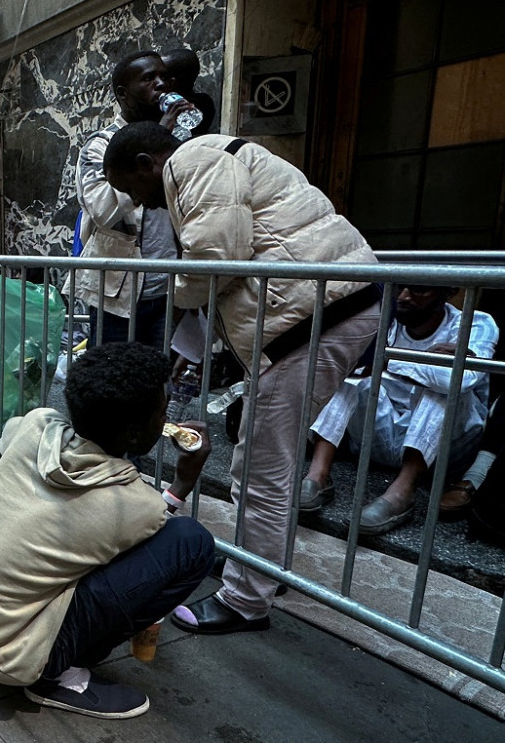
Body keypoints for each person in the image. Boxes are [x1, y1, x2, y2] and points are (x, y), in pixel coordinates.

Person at [103, 122, 381, 635]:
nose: (142, 204)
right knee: (261, 457)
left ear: (147, 162)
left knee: (260, 467)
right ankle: (262, 569)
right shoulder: (211, 160)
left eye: (133, 189)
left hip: (313, 317)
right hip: (320, 312)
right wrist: (191, 343)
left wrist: (179, 297)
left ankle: (246, 599)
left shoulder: (193, 161)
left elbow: (216, 260)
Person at [0, 341, 215, 720]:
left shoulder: (36, 425)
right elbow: (156, 533)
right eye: (162, 412)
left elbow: (12, 432)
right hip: (7, 656)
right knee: (191, 544)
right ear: (134, 434)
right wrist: (182, 484)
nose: (167, 420)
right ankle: (60, 674)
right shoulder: (132, 504)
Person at [302, 285, 498, 534]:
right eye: (398, 289)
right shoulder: (386, 318)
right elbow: (349, 363)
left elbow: (460, 379)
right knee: (354, 379)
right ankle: (317, 477)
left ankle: (402, 493)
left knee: (445, 390)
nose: (404, 297)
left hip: (442, 454)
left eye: (419, 290)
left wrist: (386, 360)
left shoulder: (475, 323)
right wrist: (426, 361)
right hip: (382, 438)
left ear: (446, 292)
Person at [74, 50, 197, 350]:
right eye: (148, 79)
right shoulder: (100, 144)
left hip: (168, 289)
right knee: (112, 379)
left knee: (156, 381)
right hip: (117, 294)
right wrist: (156, 138)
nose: (161, 84)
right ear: (123, 94)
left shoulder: (180, 139)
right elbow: (103, 211)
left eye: (165, 77)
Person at [160, 47, 216, 137]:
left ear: (172, 82)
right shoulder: (206, 101)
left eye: (161, 76)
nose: (157, 82)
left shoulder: (201, 104)